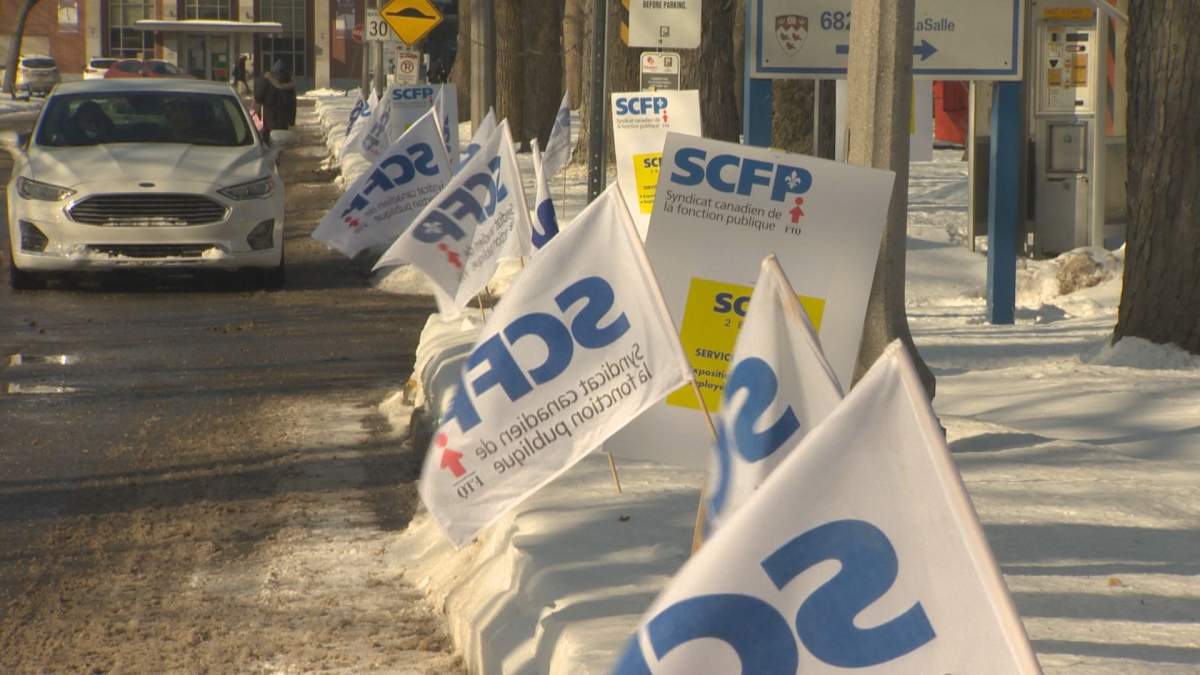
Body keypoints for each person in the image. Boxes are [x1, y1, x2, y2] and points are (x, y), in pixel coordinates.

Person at [253, 59, 297, 135]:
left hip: (269, 121)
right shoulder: (289, 86)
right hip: (283, 122)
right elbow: (293, 105)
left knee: (269, 140)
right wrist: (292, 121)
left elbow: (258, 98)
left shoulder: (267, 83)